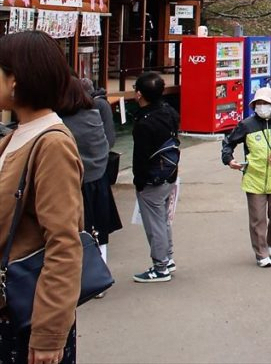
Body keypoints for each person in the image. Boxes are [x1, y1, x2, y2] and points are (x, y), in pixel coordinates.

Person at [0, 32, 83, 364]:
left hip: (28, 317)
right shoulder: (17, 136)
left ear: (15, 80)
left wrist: (49, 333)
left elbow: (64, 243)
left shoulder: (52, 144)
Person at [223, 86, 271, 267]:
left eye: (265, 103)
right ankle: (261, 253)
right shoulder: (246, 125)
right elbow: (229, 142)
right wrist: (229, 159)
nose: (262, 106)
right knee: (257, 219)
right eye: (258, 103)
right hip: (254, 179)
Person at [59, 79, 122, 269]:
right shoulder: (94, 113)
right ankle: (100, 273)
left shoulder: (63, 121)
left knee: (80, 231)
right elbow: (106, 142)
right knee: (100, 231)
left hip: (76, 183)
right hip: (99, 179)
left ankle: (87, 274)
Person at [131, 71, 180, 282]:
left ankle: (160, 267)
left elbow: (140, 158)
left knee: (155, 223)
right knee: (163, 219)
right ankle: (167, 258)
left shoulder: (145, 123)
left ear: (139, 94)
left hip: (152, 178)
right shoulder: (169, 111)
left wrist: (139, 181)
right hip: (169, 172)